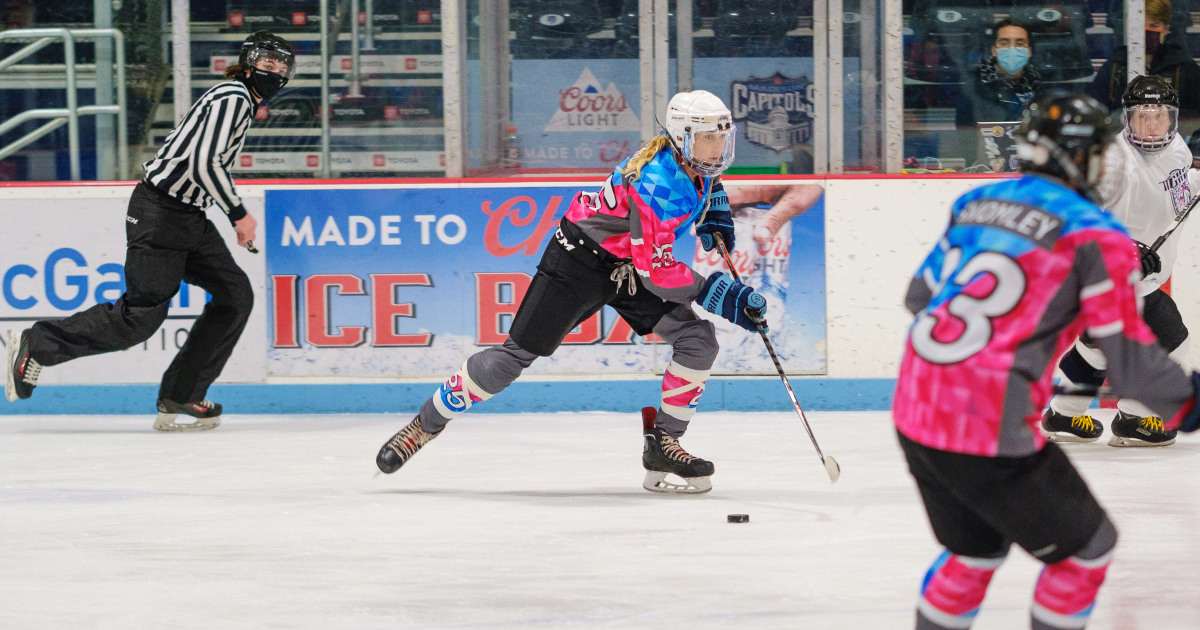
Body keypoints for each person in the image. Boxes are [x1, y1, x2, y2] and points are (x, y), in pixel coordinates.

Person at [893, 92, 1200, 630]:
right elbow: (1129, 363)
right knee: (1089, 548)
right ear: (1080, 158)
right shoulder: (1096, 234)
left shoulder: (977, 203)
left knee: (975, 554)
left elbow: (920, 298)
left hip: (914, 408)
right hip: (988, 423)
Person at [374, 90, 767, 494]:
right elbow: (657, 273)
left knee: (697, 340)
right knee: (507, 363)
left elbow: (698, 192)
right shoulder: (657, 183)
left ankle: (664, 443)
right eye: (709, 138)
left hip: (626, 265)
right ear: (683, 137)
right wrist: (719, 294)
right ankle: (425, 425)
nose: (718, 148)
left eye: (722, 137)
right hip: (579, 262)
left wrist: (714, 204)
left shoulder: (692, 163)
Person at [4, 30, 296, 432]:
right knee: (140, 317)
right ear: (248, 64)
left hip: (188, 217)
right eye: (268, 63)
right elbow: (205, 164)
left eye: (282, 67)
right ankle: (38, 344)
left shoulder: (237, 99)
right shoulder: (234, 97)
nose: (275, 72)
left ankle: (183, 392)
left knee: (234, 296)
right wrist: (238, 214)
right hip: (161, 213)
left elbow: (204, 164)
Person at [1042, 75, 1197, 447]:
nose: (1151, 124)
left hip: (1136, 280)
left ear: (1172, 119)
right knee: (1172, 341)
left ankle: (1063, 415)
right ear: (1127, 118)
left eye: (1160, 115)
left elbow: (1176, 188)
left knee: (1096, 348)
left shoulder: (1176, 148)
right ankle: (1136, 419)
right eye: (1142, 115)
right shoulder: (1112, 163)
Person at [1091, 0, 1200, 118]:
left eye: (1154, 25)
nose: (1146, 31)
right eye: (1139, 25)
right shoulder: (1112, 69)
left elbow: (1194, 119)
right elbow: (1097, 114)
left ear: (1166, 29)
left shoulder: (1185, 69)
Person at [956, 18, 1042, 128]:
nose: (1012, 49)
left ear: (1029, 51)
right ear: (994, 51)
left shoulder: (1042, 90)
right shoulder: (972, 91)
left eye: (1019, 43)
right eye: (1004, 43)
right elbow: (965, 139)